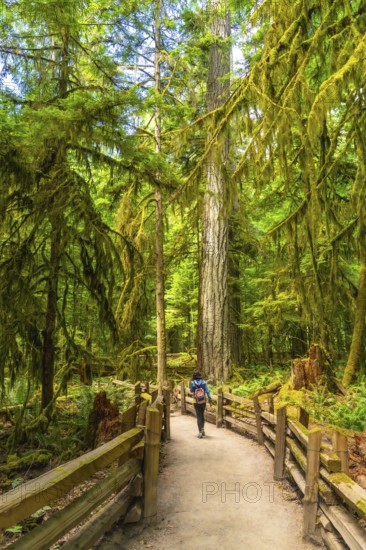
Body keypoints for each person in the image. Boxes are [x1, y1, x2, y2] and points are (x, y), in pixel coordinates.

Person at [190, 370, 212, 438]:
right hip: (203, 400)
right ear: (200, 375)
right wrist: (210, 399)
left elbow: (191, 391)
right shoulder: (204, 382)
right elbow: (207, 391)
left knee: (198, 416)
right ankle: (203, 430)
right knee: (202, 414)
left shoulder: (193, 383)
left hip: (196, 401)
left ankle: (200, 432)